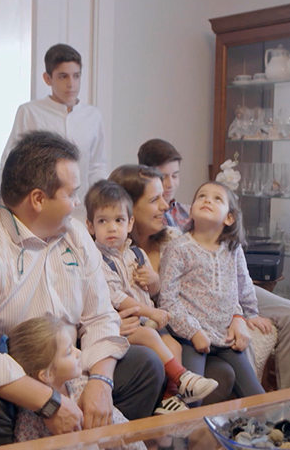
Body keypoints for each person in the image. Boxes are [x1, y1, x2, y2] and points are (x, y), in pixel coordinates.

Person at [0, 131, 165, 450]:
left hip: (69, 364)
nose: (77, 204)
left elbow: (100, 316)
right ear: (38, 199)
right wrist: (48, 401)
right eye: (71, 194)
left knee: (146, 366)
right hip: (9, 376)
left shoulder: (76, 234)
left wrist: (101, 382)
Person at [138, 138, 290, 389]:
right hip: (193, 305)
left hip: (225, 290)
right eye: (164, 177)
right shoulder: (164, 227)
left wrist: (240, 315)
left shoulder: (192, 214)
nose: (171, 184)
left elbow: (240, 281)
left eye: (175, 175)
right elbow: (167, 293)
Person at [6, 317, 182, 450]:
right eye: (69, 351)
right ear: (46, 374)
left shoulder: (84, 389)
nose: (78, 352)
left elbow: (124, 432)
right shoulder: (29, 420)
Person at [85, 179, 218, 414]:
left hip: (148, 320)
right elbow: (115, 296)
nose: (112, 228)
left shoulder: (137, 253)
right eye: (103, 221)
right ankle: (183, 378)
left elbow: (154, 291)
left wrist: (154, 280)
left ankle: (169, 399)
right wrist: (151, 312)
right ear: (90, 226)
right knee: (149, 335)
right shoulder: (97, 259)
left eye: (119, 220)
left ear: (130, 223)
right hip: (123, 324)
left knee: (174, 346)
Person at [109, 165, 238, 404]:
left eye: (163, 197)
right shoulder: (107, 253)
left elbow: (219, 285)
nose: (166, 206)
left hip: (178, 333)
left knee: (223, 374)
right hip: (143, 335)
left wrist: (239, 317)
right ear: (127, 207)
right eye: (154, 200)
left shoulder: (172, 239)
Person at [158, 182, 266, 402]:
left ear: (229, 218)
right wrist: (193, 332)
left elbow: (243, 284)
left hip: (226, 337)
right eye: (202, 196)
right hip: (192, 338)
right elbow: (167, 300)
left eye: (217, 199)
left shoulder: (233, 250)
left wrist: (249, 313)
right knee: (192, 398)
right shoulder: (178, 248)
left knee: (257, 397)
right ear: (191, 211)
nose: (207, 200)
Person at [0, 44, 107, 215]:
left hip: (82, 209)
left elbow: (97, 166)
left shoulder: (93, 116)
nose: (71, 84)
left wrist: (101, 203)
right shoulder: (30, 112)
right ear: (48, 79)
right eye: (63, 76)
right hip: (40, 210)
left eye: (76, 76)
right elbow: (9, 164)